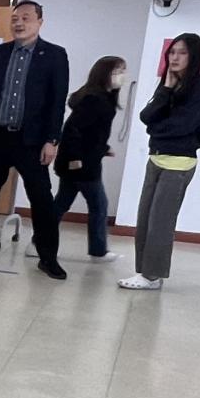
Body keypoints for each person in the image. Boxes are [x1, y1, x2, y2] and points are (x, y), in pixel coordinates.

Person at [0, 1, 72, 279]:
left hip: (32, 141)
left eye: (26, 18)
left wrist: (52, 140)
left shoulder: (54, 55)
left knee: (41, 199)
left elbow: (57, 101)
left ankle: (48, 258)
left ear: (40, 22)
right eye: (15, 18)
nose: (19, 23)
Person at [120, 33, 200, 291]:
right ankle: (144, 272)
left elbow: (185, 125)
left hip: (179, 163)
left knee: (161, 222)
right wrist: (166, 89)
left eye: (182, 53)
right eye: (172, 52)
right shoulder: (171, 83)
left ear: (193, 56)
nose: (175, 57)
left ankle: (152, 275)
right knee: (145, 219)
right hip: (157, 158)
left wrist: (156, 129)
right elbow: (146, 116)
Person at [48, 55, 123, 263]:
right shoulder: (94, 99)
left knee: (61, 203)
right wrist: (76, 160)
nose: (121, 76)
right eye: (117, 71)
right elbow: (73, 130)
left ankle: (39, 242)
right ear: (105, 73)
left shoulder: (103, 98)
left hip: (84, 161)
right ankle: (98, 252)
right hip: (81, 164)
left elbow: (92, 133)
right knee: (99, 205)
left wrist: (103, 148)